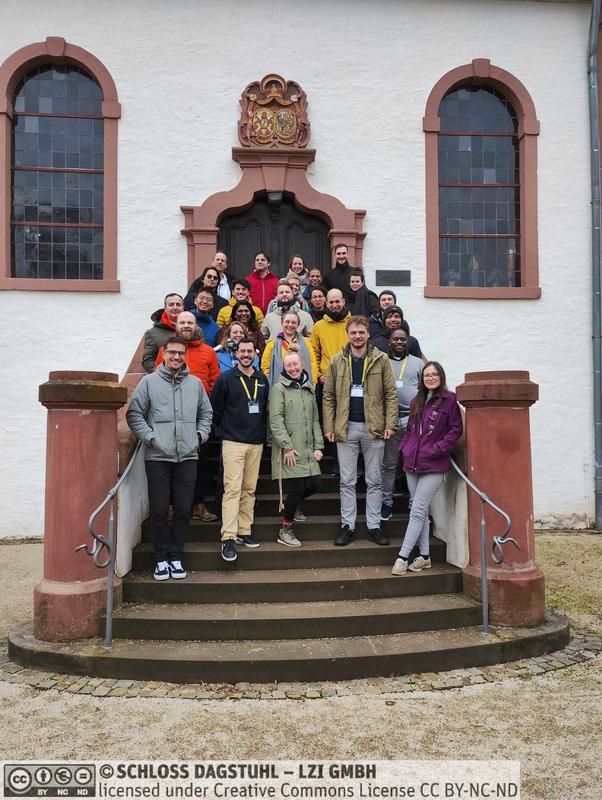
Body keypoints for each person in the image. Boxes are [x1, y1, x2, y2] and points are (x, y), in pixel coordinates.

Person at [126, 336, 213, 580]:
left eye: (180, 353)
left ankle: (176, 556)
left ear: (186, 356)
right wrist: (151, 438)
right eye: (172, 352)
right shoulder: (148, 383)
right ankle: (161, 558)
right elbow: (135, 415)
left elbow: (206, 413)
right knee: (160, 510)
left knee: (184, 509)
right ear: (163, 354)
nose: (176, 357)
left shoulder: (195, 384)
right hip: (157, 457)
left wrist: (198, 436)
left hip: (188, 456)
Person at [323, 316, 398, 547]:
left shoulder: (381, 359)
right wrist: (330, 426)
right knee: (347, 481)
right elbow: (328, 397)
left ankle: (374, 526)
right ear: (348, 334)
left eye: (361, 332)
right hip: (345, 428)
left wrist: (389, 424)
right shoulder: (336, 361)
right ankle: (348, 526)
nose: (357, 336)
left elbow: (391, 394)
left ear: (368, 334)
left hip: (373, 428)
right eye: (353, 332)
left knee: (374, 480)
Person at [392, 361, 463, 575]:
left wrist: (438, 449)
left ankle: (402, 557)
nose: (430, 378)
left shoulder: (450, 400)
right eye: (426, 375)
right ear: (422, 379)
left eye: (434, 374)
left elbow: (455, 429)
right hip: (412, 463)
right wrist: (405, 448)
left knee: (417, 510)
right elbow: (410, 430)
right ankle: (424, 556)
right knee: (418, 510)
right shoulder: (417, 401)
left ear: (441, 376)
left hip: (434, 465)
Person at [154, 312, 221, 523]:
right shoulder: (165, 351)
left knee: (198, 463)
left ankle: (198, 505)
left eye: (189, 322)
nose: (185, 325)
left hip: (197, 417)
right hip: (170, 417)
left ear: (195, 326)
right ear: (176, 325)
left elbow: (214, 381)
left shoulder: (208, 352)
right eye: (182, 322)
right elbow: (156, 376)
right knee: (171, 463)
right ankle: (173, 504)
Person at [211, 338, 270, 562]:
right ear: (236, 353)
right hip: (233, 442)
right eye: (242, 351)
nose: (246, 354)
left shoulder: (261, 379)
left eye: (250, 351)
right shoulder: (225, 379)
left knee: (249, 489)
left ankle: (244, 531)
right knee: (232, 489)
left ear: (256, 353)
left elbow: (264, 408)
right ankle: (228, 537)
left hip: (256, 442)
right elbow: (215, 410)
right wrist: (227, 430)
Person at [269, 350, 323, 547]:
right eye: (288, 365)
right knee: (297, 487)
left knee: (315, 484)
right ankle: (286, 528)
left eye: (295, 364)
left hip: (308, 449)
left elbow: (315, 419)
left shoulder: (309, 388)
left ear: (302, 365)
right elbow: (275, 421)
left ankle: (295, 505)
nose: (292, 368)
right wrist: (287, 447)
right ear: (284, 368)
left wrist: (319, 445)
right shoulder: (279, 388)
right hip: (291, 449)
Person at [380, 328, 423, 521]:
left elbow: (426, 390)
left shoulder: (417, 363)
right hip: (389, 420)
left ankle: (415, 505)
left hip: (412, 419)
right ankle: (387, 503)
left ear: (408, 341)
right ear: (389, 341)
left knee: (413, 463)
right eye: (395, 339)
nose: (399, 342)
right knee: (389, 464)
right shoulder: (381, 362)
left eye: (403, 339)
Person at [261, 309, 318, 386]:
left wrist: (312, 384)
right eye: (287, 322)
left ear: (298, 325)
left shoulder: (306, 343)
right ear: (282, 323)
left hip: (303, 386)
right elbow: (265, 368)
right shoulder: (272, 344)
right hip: (279, 387)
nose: (290, 325)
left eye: (294, 322)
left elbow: (313, 366)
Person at [310, 288, 351, 384]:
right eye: (331, 302)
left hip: (349, 377)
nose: (334, 305)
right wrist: (318, 375)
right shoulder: (318, 326)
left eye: (337, 301)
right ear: (326, 303)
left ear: (343, 301)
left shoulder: (353, 323)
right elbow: (314, 353)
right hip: (327, 379)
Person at [142, 293, 184, 373]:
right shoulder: (153, 333)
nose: (175, 307)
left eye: (178, 304)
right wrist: (163, 374)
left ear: (183, 308)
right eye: (171, 304)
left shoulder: (195, 330)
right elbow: (148, 360)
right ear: (165, 308)